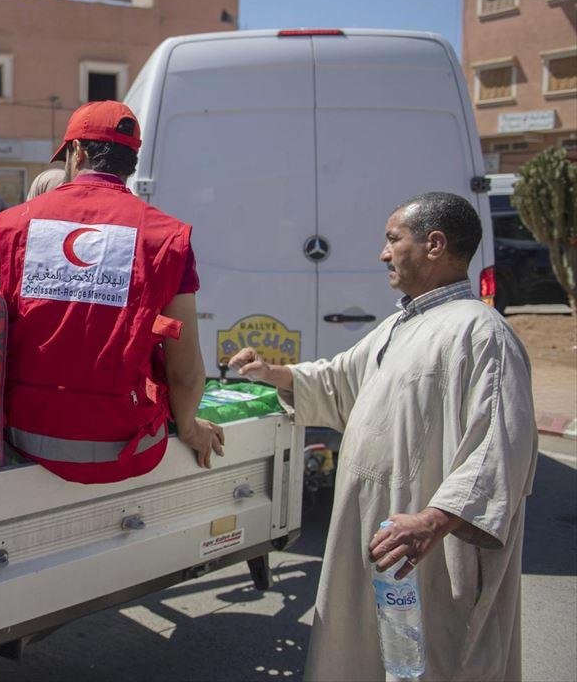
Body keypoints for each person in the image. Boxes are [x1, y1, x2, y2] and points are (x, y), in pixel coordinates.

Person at [229, 192, 537, 681]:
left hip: (429, 551)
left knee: (431, 660)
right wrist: (274, 373)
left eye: (393, 239)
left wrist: (432, 523)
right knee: (371, 657)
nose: (383, 253)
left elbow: (499, 448)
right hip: (381, 534)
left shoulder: (482, 333)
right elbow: (339, 381)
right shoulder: (401, 324)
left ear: (434, 244)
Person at [0, 101, 224, 484]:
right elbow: (184, 370)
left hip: (20, 437)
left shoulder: (7, 226)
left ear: (77, 152)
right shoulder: (166, 237)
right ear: (132, 160)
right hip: (128, 446)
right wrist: (191, 428)